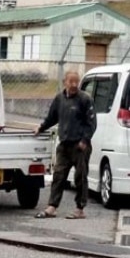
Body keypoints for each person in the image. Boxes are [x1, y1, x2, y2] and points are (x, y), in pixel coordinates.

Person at [35, 69, 97, 219]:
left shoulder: (85, 99)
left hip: (80, 146)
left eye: (77, 81)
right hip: (64, 145)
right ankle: (52, 206)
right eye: (71, 81)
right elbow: (52, 118)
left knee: (80, 176)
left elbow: (92, 123)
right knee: (59, 175)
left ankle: (80, 208)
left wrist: (84, 141)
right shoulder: (59, 99)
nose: (74, 85)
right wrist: (41, 127)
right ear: (65, 82)